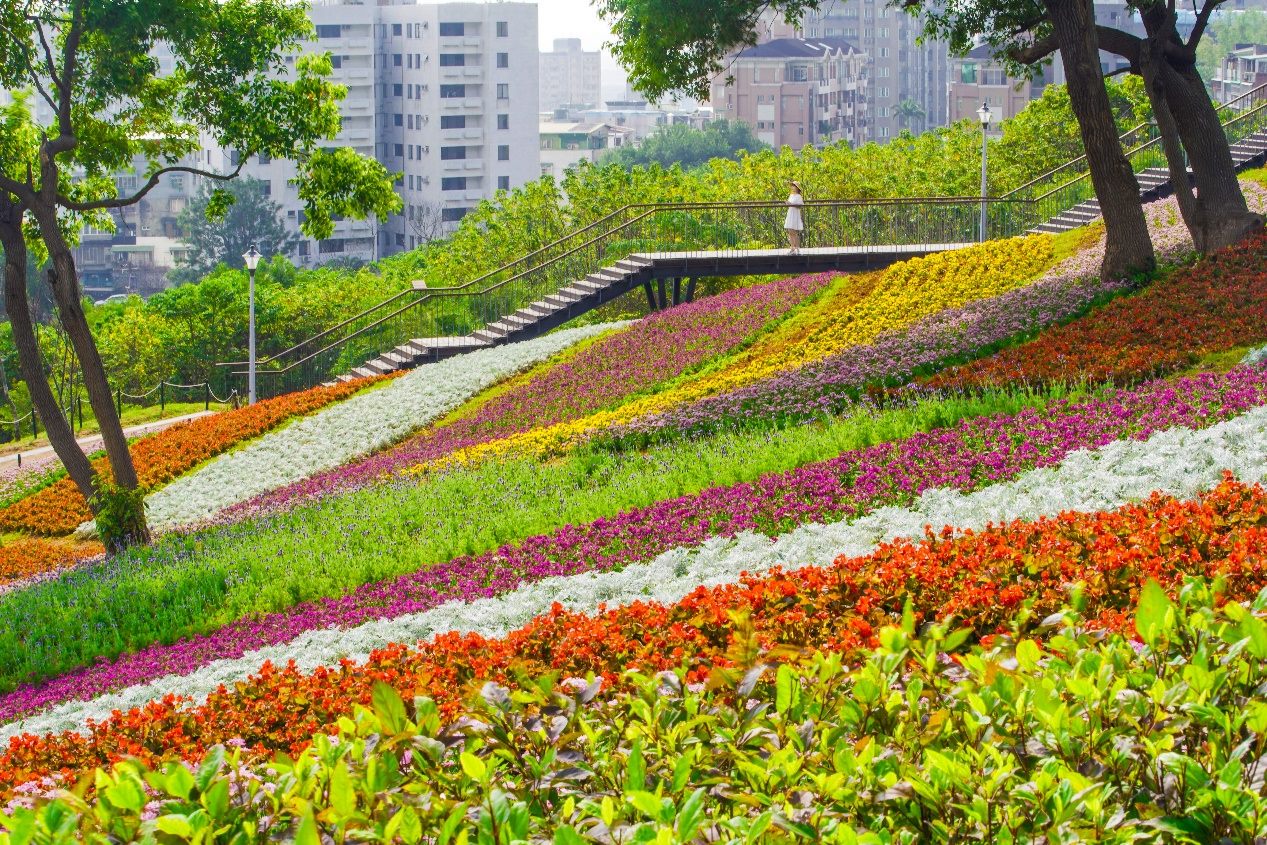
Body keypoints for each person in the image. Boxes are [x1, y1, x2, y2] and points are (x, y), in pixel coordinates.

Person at [784, 180, 805, 254]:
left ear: (797, 188)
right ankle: (792, 247)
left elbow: (800, 205)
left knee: (794, 232)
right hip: (790, 213)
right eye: (792, 186)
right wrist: (788, 203)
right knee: (790, 231)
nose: (793, 187)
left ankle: (797, 248)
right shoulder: (791, 195)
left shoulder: (799, 196)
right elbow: (790, 204)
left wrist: (791, 204)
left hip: (795, 214)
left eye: (794, 186)